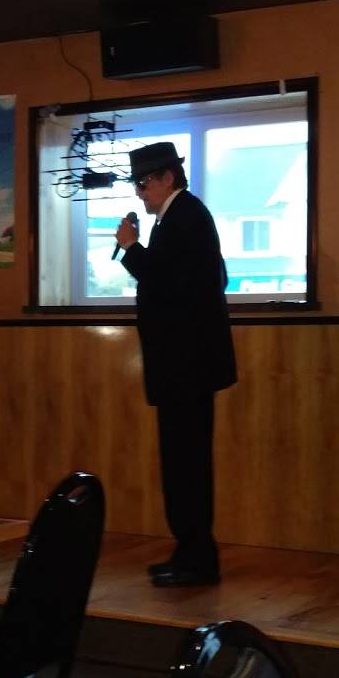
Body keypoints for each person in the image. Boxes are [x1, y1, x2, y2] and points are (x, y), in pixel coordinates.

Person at [116, 142, 236, 587]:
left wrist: (131, 248)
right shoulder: (182, 217)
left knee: (186, 466)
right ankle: (189, 552)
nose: (139, 192)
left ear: (167, 178)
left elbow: (168, 283)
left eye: (143, 182)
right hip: (185, 368)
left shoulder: (185, 217)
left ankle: (196, 558)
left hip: (186, 368)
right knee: (185, 464)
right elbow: (208, 278)